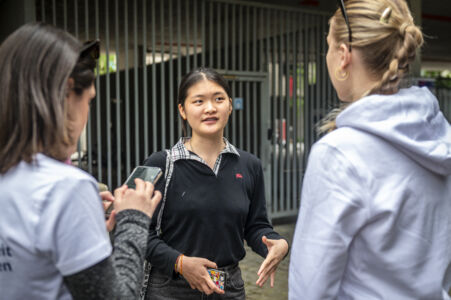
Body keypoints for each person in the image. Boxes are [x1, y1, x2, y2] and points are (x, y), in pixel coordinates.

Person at [289, 0, 451, 299]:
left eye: (329, 45)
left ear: (343, 55)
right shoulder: (441, 139)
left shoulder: (339, 153)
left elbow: (311, 287)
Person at [0, 23, 161, 299]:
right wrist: (133, 219)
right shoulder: (66, 188)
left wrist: (82, 222)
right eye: (88, 100)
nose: (86, 116)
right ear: (66, 92)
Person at [142, 67, 289, 299]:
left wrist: (279, 244)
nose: (210, 108)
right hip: (171, 289)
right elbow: (135, 230)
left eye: (218, 99)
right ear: (183, 110)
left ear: (229, 105)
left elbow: (256, 226)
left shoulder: (249, 165)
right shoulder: (159, 163)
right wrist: (180, 263)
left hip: (228, 289)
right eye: (198, 101)